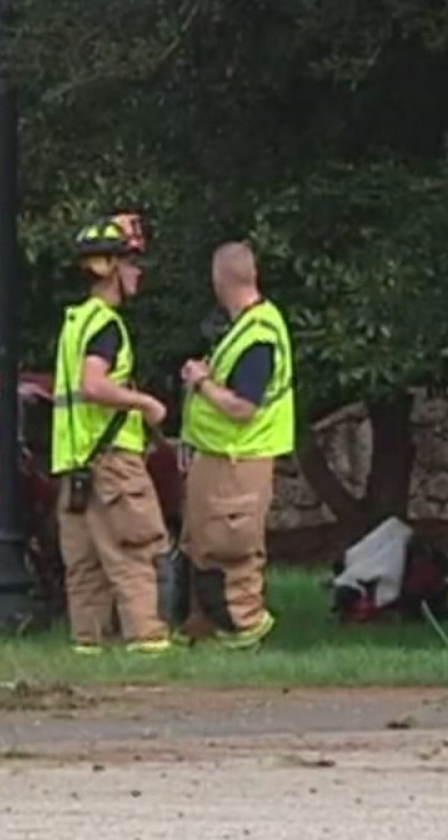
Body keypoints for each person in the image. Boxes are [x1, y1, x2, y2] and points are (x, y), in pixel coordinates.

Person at [50, 212, 177, 655]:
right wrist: (146, 404)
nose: (139, 272)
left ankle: (89, 645)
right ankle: (147, 641)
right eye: (132, 262)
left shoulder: (75, 322)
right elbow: (93, 385)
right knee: (135, 550)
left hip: (75, 460)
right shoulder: (105, 325)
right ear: (111, 269)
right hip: (113, 462)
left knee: (84, 563)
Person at [177, 241, 294, 649]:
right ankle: (205, 627)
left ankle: (246, 628)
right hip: (220, 455)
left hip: (240, 457)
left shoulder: (258, 334)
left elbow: (243, 407)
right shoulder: (245, 328)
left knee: (232, 544)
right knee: (202, 543)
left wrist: (201, 382)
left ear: (219, 280)